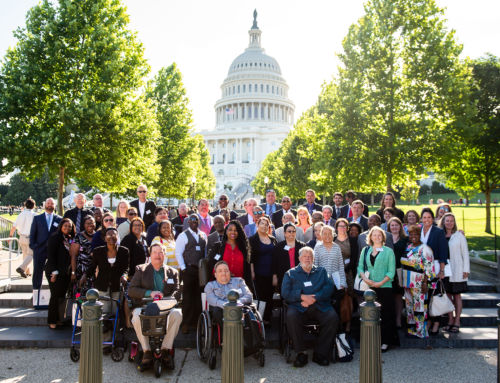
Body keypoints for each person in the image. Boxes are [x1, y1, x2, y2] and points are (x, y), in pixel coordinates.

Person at [282, 247, 338, 367]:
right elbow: (285, 293)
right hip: (298, 306)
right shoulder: (290, 273)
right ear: (299, 258)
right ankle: (301, 353)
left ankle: (320, 353)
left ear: (313, 259)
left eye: (310, 257)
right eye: (305, 256)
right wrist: (302, 297)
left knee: (332, 317)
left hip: (319, 305)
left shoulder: (322, 271)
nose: (307, 259)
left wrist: (315, 297)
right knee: (291, 316)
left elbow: (329, 288)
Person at [128, 243, 182, 368]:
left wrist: (167, 297)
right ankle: (146, 351)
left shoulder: (173, 272)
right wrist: (149, 293)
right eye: (155, 252)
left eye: (161, 252)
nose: (158, 255)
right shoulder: (141, 270)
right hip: (145, 306)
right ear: (150, 255)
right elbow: (131, 290)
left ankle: (165, 349)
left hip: (166, 307)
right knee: (136, 315)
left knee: (178, 314)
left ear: (165, 255)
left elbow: (177, 291)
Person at [357, 226, 399, 351]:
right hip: (369, 287)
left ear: (383, 237)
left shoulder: (388, 251)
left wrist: (380, 283)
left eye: (379, 235)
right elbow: (360, 267)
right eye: (374, 235)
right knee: (371, 315)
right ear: (370, 237)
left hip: (385, 287)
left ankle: (385, 341)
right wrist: (365, 278)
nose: (377, 237)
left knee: (385, 314)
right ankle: (372, 340)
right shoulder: (365, 250)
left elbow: (391, 271)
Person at [84, 228, 129, 316]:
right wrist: (84, 276)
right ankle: (105, 328)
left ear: (117, 237)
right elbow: (92, 266)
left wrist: (124, 276)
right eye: (109, 235)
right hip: (102, 285)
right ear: (105, 238)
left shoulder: (124, 251)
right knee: (104, 311)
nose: (111, 237)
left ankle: (114, 328)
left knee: (115, 311)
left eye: (114, 235)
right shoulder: (98, 251)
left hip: (117, 285)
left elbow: (126, 268)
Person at [175, 214, 207, 333]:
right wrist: (183, 268)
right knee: (188, 297)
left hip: (200, 271)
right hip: (188, 270)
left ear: (199, 222)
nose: (194, 222)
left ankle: (197, 322)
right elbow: (178, 253)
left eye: (196, 220)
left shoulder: (203, 235)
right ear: (188, 222)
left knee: (199, 297)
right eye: (192, 220)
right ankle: (186, 323)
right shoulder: (183, 236)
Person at [403, 225, 435, 338]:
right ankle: (412, 330)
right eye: (411, 234)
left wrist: (425, 282)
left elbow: (429, 268)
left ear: (419, 235)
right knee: (409, 307)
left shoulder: (425, 249)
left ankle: (421, 331)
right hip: (407, 283)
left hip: (419, 283)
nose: (413, 236)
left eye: (415, 234)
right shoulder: (408, 247)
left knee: (420, 307)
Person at [439, 213, 470, 333]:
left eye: (452, 221)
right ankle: (450, 319)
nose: (449, 223)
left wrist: (466, 269)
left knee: (457, 295)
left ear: (454, 222)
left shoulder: (459, 236)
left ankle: (457, 320)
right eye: (447, 221)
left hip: (458, 269)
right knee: (447, 295)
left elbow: (465, 253)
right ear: (443, 222)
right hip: (445, 269)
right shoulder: (440, 235)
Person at [420, 207, 448, 335]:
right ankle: (428, 320)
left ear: (433, 219)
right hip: (420, 269)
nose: (426, 220)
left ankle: (436, 322)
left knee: (434, 296)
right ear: (421, 219)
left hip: (435, 268)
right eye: (424, 217)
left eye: (429, 217)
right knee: (424, 297)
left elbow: (443, 252)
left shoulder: (438, 232)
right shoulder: (418, 230)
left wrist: (442, 270)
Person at [204, 261, 253, 334]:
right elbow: (211, 299)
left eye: (226, 271)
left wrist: (237, 303)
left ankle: (247, 336)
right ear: (215, 274)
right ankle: (229, 334)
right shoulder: (210, 285)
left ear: (230, 272)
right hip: (221, 310)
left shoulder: (239, 281)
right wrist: (227, 305)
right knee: (216, 311)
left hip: (240, 309)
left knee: (248, 312)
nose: (223, 273)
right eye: (220, 271)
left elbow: (249, 296)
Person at [207, 220, 253, 291]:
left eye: (235, 230)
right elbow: (211, 263)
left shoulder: (244, 248)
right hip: (220, 286)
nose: (233, 232)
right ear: (226, 231)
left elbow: (247, 268)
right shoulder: (218, 247)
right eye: (230, 230)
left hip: (239, 286)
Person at [45, 218, 75, 329]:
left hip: (64, 273)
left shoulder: (69, 239)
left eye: (70, 226)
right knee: (55, 296)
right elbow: (51, 255)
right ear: (61, 226)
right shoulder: (55, 237)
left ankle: (58, 319)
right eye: (65, 226)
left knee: (61, 297)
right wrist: (54, 272)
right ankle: (51, 321)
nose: (67, 228)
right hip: (54, 272)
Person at [29, 198, 62, 293]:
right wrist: (34, 246)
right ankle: (36, 293)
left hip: (54, 250)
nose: (50, 205)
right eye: (48, 203)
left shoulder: (59, 219)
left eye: (52, 203)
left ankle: (54, 293)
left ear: (54, 206)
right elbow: (32, 234)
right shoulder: (37, 218)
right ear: (44, 205)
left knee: (54, 271)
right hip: (39, 249)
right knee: (37, 272)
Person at [249, 216, 277, 323]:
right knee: (260, 297)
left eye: (266, 224)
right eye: (262, 224)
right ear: (257, 225)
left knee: (269, 297)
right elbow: (250, 258)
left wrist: (275, 275)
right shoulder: (252, 239)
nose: (264, 226)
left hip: (271, 273)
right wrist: (252, 272)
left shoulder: (273, 239)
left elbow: (276, 257)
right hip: (258, 273)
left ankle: (267, 319)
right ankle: (258, 320)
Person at [334, 218, 358, 333]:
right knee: (337, 297)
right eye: (340, 226)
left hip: (348, 273)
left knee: (348, 298)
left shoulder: (353, 241)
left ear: (347, 228)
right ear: (336, 228)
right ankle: (337, 323)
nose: (342, 228)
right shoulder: (333, 240)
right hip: (335, 274)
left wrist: (345, 269)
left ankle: (348, 324)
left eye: (344, 226)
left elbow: (354, 258)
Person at [387, 217, 408, 329]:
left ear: (400, 226)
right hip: (387, 271)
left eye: (396, 225)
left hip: (400, 270)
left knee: (398, 296)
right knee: (389, 296)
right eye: (392, 225)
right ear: (389, 227)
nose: (394, 227)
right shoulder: (386, 239)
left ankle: (398, 319)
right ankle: (390, 319)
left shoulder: (405, 239)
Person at [272, 222, 307, 291]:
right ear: (285, 233)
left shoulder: (302, 246)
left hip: (299, 276)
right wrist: (274, 276)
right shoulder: (279, 247)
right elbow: (274, 262)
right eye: (289, 231)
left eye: (293, 231)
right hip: (284, 277)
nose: (291, 233)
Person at [314, 226, 347, 290]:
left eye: (330, 233)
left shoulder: (337, 247)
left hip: (336, 281)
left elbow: (341, 266)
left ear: (333, 235)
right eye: (325, 234)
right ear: (321, 235)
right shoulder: (317, 247)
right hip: (322, 281)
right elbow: (315, 265)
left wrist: (342, 282)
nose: (327, 236)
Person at [10, 198, 36, 278]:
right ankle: (21, 268)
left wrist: (10, 236)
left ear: (25, 205)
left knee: (25, 255)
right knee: (31, 254)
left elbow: (14, 227)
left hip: (21, 237)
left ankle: (27, 271)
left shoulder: (21, 214)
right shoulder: (35, 215)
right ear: (33, 206)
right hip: (30, 237)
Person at [69, 215, 96, 292]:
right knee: (80, 294)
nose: (90, 225)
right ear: (84, 225)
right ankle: (79, 304)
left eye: (92, 223)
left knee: (93, 294)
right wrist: (73, 272)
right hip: (81, 269)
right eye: (88, 223)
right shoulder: (79, 236)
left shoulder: (98, 236)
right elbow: (74, 255)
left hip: (94, 269)